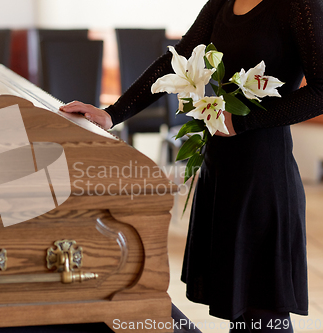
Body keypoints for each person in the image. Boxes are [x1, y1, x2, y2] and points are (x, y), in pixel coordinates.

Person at [60, 0, 323, 331]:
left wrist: (244, 122)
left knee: (263, 311)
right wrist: (113, 113)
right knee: (238, 308)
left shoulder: (299, 5)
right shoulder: (223, 3)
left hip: (264, 176)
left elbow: (321, 90)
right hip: (220, 170)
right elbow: (175, 61)